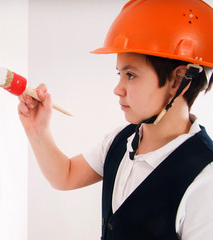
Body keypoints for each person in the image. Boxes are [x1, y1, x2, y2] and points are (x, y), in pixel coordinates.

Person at [17, 0, 213, 239]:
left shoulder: (206, 178)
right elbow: (65, 175)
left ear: (178, 80)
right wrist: (38, 130)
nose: (117, 89)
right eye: (119, 74)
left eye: (131, 75)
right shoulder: (121, 140)